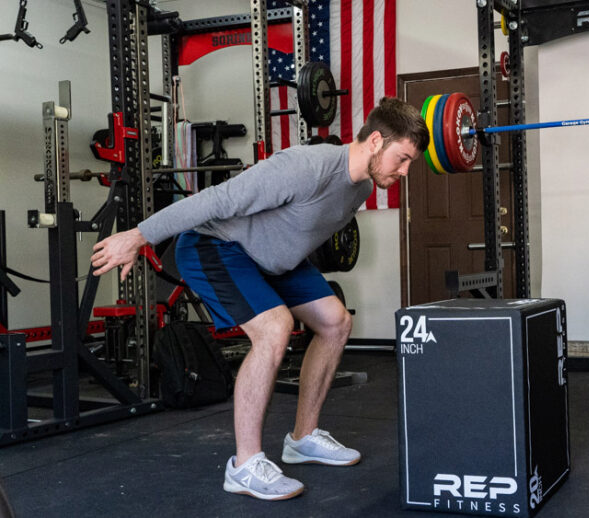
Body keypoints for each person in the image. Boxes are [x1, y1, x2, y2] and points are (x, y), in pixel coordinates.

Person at [91, 97, 429, 501]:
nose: (406, 171)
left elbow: (295, 228)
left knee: (336, 322)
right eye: (403, 158)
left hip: (272, 260)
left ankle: (302, 438)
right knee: (274, 328)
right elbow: (213, 200)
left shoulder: (358, 187)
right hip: (216, 245)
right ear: (376, 140)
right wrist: (137, 236)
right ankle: (245, 465)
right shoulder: (305, 167)